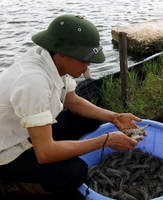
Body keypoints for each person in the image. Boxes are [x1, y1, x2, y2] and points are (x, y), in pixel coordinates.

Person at [0, 14, 143, 196]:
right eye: (83, 59)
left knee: (89, 119)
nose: (88, 65)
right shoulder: (33, 81)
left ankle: (62, 151)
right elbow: (45, 153)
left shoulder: (49, 57)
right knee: (75, 172)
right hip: (6, 149)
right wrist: (105, 141)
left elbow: (72, 101)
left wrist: (114, 117)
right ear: (62, 53)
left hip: (25, 131)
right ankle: (21, 185)